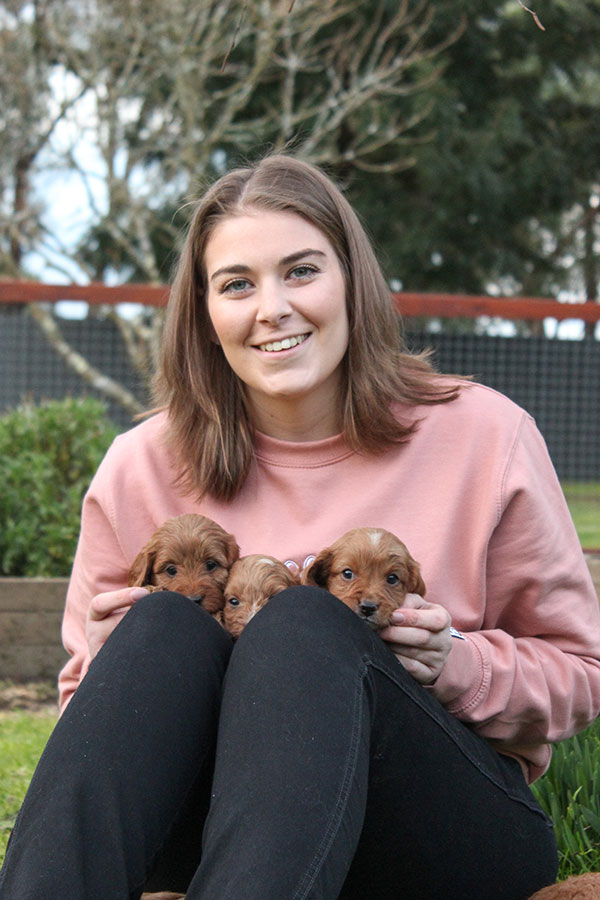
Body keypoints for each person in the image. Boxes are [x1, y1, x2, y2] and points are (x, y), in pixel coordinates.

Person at [1, 154, 599, 900]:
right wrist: (109, 665)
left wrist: (459, 664)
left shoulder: (484, 435)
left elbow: (583, 674)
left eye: (302, 271)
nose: (272, 308)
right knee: (160, 629)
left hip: (432, 831)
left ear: (352, 281)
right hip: (204, 825)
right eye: (237, 284)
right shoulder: (138, 466)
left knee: (303, 624)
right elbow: (91, 725)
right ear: (203, 311)